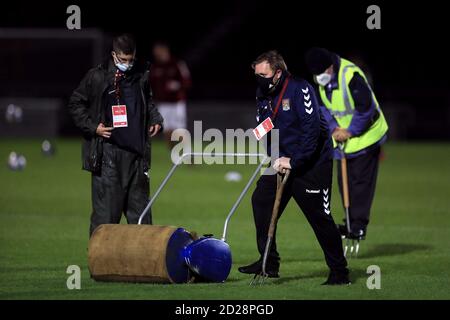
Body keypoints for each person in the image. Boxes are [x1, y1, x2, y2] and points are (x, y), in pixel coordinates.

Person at [238, 51, 350, 285]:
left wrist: (294, 161)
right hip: (282, 160)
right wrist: (272, 153)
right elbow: (265, 125)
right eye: (256, 75)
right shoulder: (263, 92)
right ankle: (269, 262)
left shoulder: (301, 89)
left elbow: (312, 131)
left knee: (320, 218)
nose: (259, 79)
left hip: (311, 164)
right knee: (261, 200)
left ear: (278, 73)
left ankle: (340, 272)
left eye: (263, 74)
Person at [68, 34, 163, 236]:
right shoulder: (97, 76)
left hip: (137, 158)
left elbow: (148, 101)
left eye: (131, 60)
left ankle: (143, 266)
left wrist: (155, 119)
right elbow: (75, 103)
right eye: (123, 60)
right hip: (108, 156)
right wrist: (94, 127)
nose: (127, 64)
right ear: (113, 55)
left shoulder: (141, 75)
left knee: (142, 220)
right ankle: (100, 265)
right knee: (106, 220)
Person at [304, 47, 388, 241]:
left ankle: (358, 226)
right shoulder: (320, 80)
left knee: (360, 181)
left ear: (331, 67)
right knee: (344, 183)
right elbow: (323, 108)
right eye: (315, 74)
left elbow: (366, 109)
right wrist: (334, 129)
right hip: (343, 139)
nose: (319, 77)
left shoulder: (351, 76)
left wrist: (350, 130)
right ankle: (350, 221)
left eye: (322, 72)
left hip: (367, 134)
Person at [149, 42, 191, 148]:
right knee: (167, 131)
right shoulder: (155, 67)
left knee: (180, 130)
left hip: (176, 103)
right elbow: (151, 85)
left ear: (164, 51)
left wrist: (177, 85)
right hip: (163, 104)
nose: (156, 54)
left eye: (158, 51)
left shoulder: (177, 64)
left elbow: (187, 81)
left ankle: (188, 153)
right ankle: (174, 156)